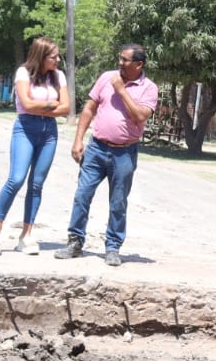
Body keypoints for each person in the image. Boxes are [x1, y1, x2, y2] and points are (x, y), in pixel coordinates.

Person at [55, 43, 159, 267]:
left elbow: (140, 116)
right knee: (82, 194)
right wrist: (78, 139)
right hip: (96, 149)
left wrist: (121, 90)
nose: (120, 63)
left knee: (118, 202)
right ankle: (75, 242)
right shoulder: (106, 78)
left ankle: (112, 247)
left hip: (124, 153)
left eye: (125, 60)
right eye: (120, 58)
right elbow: (89, 108)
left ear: (139, 64)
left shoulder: (149, 88)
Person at [0, 37, 70, 256]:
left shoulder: (58, 76)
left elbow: (66, 108)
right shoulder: (23, 73)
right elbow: (26, 104)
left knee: (37, 184)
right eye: (54, 57)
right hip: (25, 128)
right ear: (41, 56)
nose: (58, 60)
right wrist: (51, 105)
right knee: (16, 179)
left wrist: (41, 107)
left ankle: (26, 234)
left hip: (49, 131)